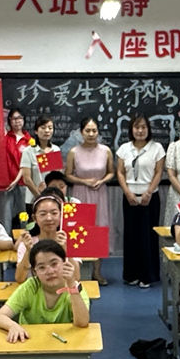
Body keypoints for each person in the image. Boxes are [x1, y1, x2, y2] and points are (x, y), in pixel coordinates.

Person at [0, 240, 90, 359]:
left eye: (54, 264)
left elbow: (82, 322)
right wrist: (13, 325)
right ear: (34, 272)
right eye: (41, 267)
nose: (49, 271)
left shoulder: (75, 288)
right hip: (29, 354)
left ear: (65, 263)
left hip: (64, 355)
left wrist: (72, 285)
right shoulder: (31, 287)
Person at [117, 111, 165, 287]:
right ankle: (131, 274)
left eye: (143, 127)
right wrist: (127, 193)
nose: (140, 130)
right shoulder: (124, 148)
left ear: (148, 129)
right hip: (129, 197)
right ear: (131, 129)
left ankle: (148, 276)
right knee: (131, 236)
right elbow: (120, 172)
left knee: (148, 237)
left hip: (150, 198)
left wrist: (149, 192)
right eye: (136, 127)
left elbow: (159, 172)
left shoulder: (157, 148)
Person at [65, 118, 115, 284]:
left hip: (100, 193)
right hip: (80, 194)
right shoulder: (74, 152)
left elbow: (111, 172)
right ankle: (80, 271)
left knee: (99, 230)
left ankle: (97, 272)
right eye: (87, 131)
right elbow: (68, 175)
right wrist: (84, 181)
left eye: (94, 130)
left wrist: (102, 181)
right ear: (81, 132)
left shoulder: (106, 151)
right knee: (80, 230)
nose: (91, 134)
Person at [14, 194, 75, 285]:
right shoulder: (28, 243)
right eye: (43, 214)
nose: (49, 218)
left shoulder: (68, 241)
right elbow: (19, 278)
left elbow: (77, 276)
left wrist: (65, 250)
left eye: (54, 213)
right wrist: (28, 251)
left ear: (61, 215)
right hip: (35, 290)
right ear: (34, 218)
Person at [17, 115, 62, 208]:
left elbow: (57, 175)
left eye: (50, 128)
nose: (47, 131)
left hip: (53, 198)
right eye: (43, 127)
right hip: (33, 199)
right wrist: (40, 196)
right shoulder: (28, 151)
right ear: (36, 131)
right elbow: (27, 179)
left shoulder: (55, 149)